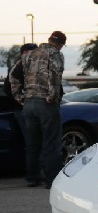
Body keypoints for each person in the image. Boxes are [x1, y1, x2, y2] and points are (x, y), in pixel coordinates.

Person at [21, 31, 66, 188]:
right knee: (51, 143)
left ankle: (32, 178)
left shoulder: (30, 54)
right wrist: (52, 97)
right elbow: (55, 75)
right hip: (45, 103)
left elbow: (16, 75)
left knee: (32, 143)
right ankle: (51, 179)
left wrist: (21, 97)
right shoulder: (55, 54)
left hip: (28, 102)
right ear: (60, 44)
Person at [6, 43, 38, 137]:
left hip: (31, 109)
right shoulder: (18, 68)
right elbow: (9, 89)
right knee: (31, 139)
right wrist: (23, 103)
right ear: (25, 52)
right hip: (23, 109)